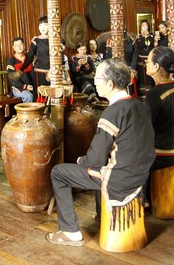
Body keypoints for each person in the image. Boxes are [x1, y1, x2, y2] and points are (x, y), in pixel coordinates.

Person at [46, 59, 155, 246]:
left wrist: (81, 161)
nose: (94, 82)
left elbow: (94, 160)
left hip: (119, 179)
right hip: (141, 173)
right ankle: (101, 214)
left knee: (59, 173)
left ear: (110, 84)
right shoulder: (140, 105)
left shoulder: (112, 113)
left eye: (97, 78)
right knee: (105, 162)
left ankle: (70, 232)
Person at [145, 47, 174, 171]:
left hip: (163, 154)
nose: (145, 63)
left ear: (156, 66)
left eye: (147, 61)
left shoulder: (155, 93)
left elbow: (146, 126)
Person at [20, 15, 50, 100]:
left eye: (45, 24)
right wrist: (21, 70)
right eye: (40, 25)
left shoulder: (56, 39)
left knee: (54, 97)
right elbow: (29, 57)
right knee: (41, 97)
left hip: (54, 73)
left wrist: (52, 71)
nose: (42, 27)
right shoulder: (36, 40)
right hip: (39, 72)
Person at [6, 37, 33, 103]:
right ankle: (28, 113)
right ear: (13, 47)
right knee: (28, 96)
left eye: (20, 44)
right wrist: (25, 86)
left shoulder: (29, 58)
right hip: (19, 88)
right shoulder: (11, 61)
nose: (19, 47)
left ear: (24, 45)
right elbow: (12, 79)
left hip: (32, 86)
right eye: (16, 45)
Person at [135, 20, 155, 99]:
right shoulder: (139, 37)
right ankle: (142, 96)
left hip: (150, 59)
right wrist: (143, 37)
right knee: (141, 77)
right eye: (142, 26)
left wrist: (147, 36)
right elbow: (140, 46)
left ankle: (150, 95)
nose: (144, 27)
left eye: (145, 25)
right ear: (140, 28)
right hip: (140, 60)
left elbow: (151, 45)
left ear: (148, 27)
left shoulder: (152, 36)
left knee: (149, 76)